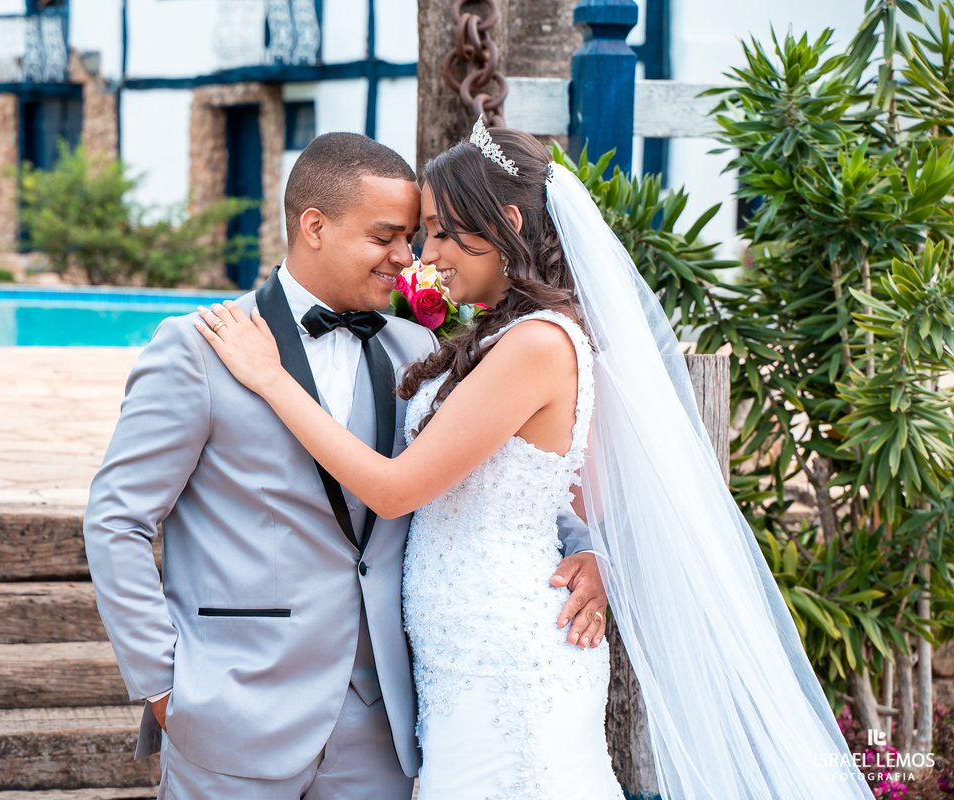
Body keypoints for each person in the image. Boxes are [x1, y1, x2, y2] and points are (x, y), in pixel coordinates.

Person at [195, 120, 875, 799]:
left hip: (506, 659)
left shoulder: (538, 344)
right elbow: (588, 497)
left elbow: (397, 490)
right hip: (465, 654)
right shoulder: (512, 336)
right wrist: (600, 556)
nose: (422, 256)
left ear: (507, 221)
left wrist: (271, 377)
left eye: (437, 230)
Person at [83, 130, 608, 800]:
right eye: (387, 236)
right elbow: (116, 522)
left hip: (385, 730)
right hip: (233, 713)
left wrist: (587, 552)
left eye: (416, 236)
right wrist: (165, 686)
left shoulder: (418, 348)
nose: (408, 257)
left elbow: (502, 473)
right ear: (314, 226)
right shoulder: (200, 348)